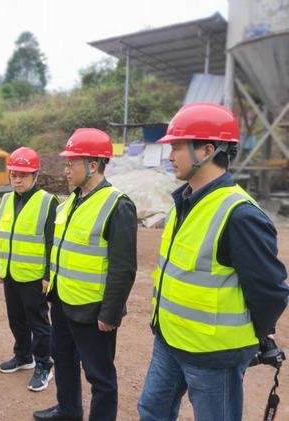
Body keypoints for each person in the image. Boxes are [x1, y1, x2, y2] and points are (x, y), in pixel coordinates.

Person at [137, 103, 289, 421]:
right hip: (169, 338)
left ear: (207, 150)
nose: (170, 155)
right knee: (152, 410)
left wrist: (250, 338)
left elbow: (270, 291)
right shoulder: (184, 201)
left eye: (177, 147)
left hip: (213, 354)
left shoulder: (239, 214)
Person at [33, 128, 137, 421]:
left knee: (99, 376)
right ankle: (68, 410)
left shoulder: (118, 205)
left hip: (93, 310)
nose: (65, 170)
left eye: (71, 163)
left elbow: (123, 268)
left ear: (93, 165)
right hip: (63, 301)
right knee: (63, 359)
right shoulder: (71, 201)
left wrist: (110, 314)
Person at [0, 147, 59, 392]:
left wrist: (48, 275)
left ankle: (44, 364)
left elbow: (53, 242)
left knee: (39, 323)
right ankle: (23, 356)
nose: (18, 180)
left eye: (23, 175)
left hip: (34, 276)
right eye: (14, 175)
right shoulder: (6, 200)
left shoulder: (47, 202)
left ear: (35, 175)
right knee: (16, 319)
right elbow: (0, 234)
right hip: (10, 272)